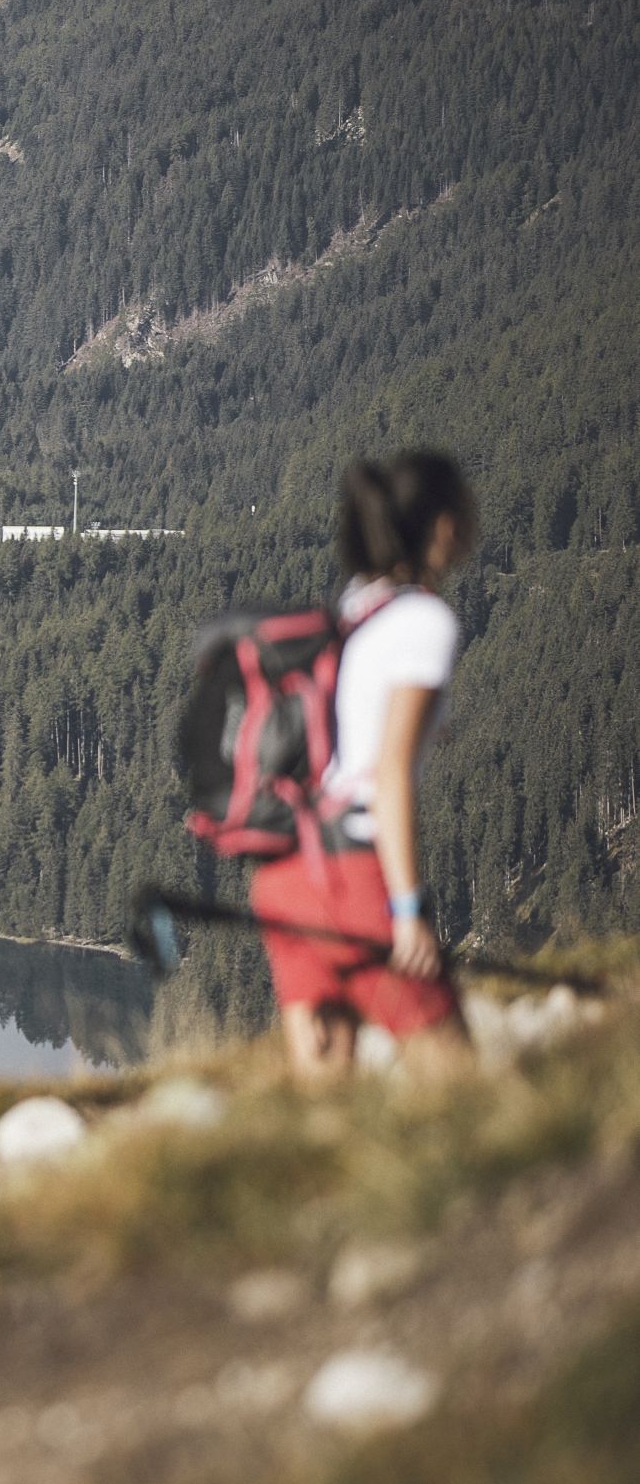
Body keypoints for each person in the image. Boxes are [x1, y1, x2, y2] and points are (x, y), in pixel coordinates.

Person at [250, 448, 478, 1085]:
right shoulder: (423, 621)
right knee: (460, 1086)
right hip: (351, 879)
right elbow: (391, 774)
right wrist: (408, 910)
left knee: (325, 1120)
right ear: (441, 525)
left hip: (288, 872)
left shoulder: (354, 606)